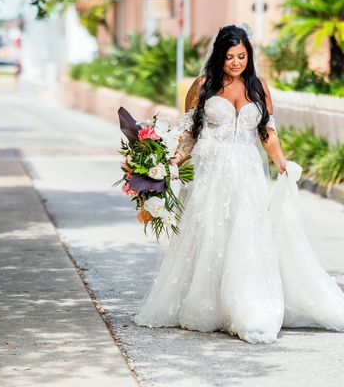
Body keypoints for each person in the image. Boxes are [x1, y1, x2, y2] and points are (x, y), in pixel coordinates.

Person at [134, 24, 344, 343]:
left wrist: (282, 163)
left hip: (247, 174)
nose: (235, 62)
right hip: (212, 175)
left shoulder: (259, 88)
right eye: (230, 56)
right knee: (211, 236)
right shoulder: (204, 86)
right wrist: (171, 162)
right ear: (219, 56)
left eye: (241, 56)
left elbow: (267, 133)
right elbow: (190, 133)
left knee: (245, 238)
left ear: (249, 55)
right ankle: (210, 306)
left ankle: (245, 305)